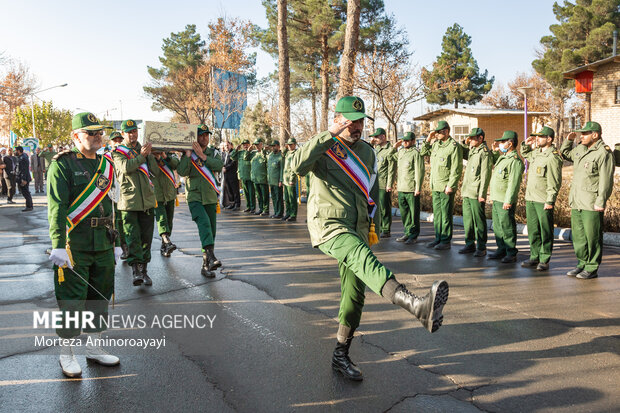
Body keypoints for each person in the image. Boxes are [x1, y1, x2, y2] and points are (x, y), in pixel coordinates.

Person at [290, 96, 449, 382]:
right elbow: (296, 166)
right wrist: (328, 135)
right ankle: (415, 304)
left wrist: (372, 225)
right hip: (329, 225)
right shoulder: (324, 144)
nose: (357, 126)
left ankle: (341, 354)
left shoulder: (366, 150)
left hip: (359, 226)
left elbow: (371, 191)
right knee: (364, 260)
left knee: (354, 295)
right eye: (351, 120)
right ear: (338, 119)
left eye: (361, 121)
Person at [47, 112, 122, 377]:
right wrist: (57, 244)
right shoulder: (63, 165)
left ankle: (94, 348)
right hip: (74, 245)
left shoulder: (107, 165)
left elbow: (114, 205)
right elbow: (57, 208)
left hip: (103, 242)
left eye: (99, 132)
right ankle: (66, 354)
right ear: (76, 136)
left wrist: (117, 241)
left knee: (99, 298)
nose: (97, 136)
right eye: (90, 132)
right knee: (72, 301)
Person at [560, 122, 614, 279]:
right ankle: (582, 263)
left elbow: (606, 180)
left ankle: (591, 267)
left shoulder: (603, 153)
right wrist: (568, 141)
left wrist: (601, 201)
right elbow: (565, 153)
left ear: (595, 135)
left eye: (585, 133)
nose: (581, 136)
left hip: (591, 202)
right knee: (579, 236)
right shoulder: (580, 149)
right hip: (577, 200)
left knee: (592, 237)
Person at [112, 119, 158, 286]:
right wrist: (142, 156)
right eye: (129, 132)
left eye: (134, 131)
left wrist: (150, 155)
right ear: (123, 134)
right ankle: (135, 270)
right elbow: (125, 167)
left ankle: (144, 270)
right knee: (132, 238)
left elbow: (155, 171)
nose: (133, 135)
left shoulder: (144, 149)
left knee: (146, 238)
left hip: (147, 200)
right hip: (128, 201)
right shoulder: (118, 152)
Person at [178, 124, 224, 278]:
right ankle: (211, 257)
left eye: (206, 135)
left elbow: (219, 165)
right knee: (204, 223)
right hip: (195, 197)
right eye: (201, 135)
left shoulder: (214, 152)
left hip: (210, 197)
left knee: (211, 231)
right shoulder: (189, 154)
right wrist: (189, 155)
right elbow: (182, 171)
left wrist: (203, 156)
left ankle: (206, 264)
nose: (204, 138)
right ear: (195, 137)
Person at [520, 127, 563, 271]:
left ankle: (544, 258)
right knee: (533, 230)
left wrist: (550, 200)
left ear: (549, 139)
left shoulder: (553, 157)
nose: (537, 139)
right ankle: (534, 256)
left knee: (545, 230)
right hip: (531, 198)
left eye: (540, 137)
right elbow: (525, 153)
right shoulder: (537, 153)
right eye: (536, 137)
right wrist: (526, 144)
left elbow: (554, 181)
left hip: (543, 199)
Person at [419, 121, 463, 250]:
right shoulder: (436, 144)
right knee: (437, 214)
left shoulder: (454, 146)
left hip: (445, 186)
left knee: (446, 215)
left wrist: (451, 185)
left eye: (439, 132)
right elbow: (423, 152)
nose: (436, 134)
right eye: (436, 132)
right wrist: (429, 137)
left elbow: (456, 168)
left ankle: (445, 240)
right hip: (436, 184)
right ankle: (438, 237)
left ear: (446, 131)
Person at [488, 131, 524, 263]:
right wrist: (496, 151)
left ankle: (511, 252)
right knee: (497, 226)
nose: (500, 144)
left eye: (503, 142)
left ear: (511, 143)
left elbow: (513, 183)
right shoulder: (503, 158)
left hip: (504, 199)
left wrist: (508, 200)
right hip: (497, 197)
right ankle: (501, 249)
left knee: (507, 226)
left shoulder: (515, 161)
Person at [458, 128, 493, 256]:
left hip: (476, 192)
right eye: (470, 138)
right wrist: (464, 142)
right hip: (467, 190)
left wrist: (482, 194)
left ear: (480, 139)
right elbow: (463, 151)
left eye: (473, 138)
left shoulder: (484, 153)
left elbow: (485, 175)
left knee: (479, 221)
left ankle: (481, 246)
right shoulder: (473, 150)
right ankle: (469, 244)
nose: (470, 140)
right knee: (468, 220)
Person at [394, 131, 424, 244]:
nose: (405, 142)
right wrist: (394, 147)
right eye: (403, 140)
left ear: (413, 141)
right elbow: (390, 157)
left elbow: (419, 171)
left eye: (407, 140)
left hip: (411, 188)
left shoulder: (415, 153)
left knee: (413, 213)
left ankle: (414, 235)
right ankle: (407, 232)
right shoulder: (401, 152)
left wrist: (418, 187)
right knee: (404, 213)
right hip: (402, 187)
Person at [106, 131, 129, 260]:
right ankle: (121, 246)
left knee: (125, 222)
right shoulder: (106, 157)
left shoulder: (127, 155)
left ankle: (126, 247)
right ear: (110, 143)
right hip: (112, 194)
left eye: (120, 140)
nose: (118, 143)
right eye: (115, 141)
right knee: (116, 222)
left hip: (125, 192)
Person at [370, 127, 396, 238]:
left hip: (384, 183)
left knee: (385, 207)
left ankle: (386, 229)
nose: (375, 139)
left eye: (376, 137)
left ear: (383, 137)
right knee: (376, 207)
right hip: (374, 183)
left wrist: (389, 184)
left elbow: (392, 169)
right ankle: (378, 227)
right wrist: (371, 144)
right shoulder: (376, 149)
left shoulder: (390, 150)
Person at [153, 150, 180, 257]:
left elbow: (176, 164)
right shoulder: (150, 156)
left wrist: (164, 156)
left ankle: (164, 244)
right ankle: (166, 240)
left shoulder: (170, 154)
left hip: (170, 193)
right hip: (156, 193)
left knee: (169, 220)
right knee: (162, 218)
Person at [231, 139, 256, 213]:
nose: (245, 146)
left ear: (249, 144)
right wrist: (235, 150)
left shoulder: (252, 152)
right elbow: (232, 157)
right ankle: (248, 206)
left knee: (251, 193)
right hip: (242, 175)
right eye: (244, 144)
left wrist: (248, 150)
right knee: (246, 192)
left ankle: (252, 207)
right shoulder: (240, 153)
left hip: (249, 175)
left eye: (246, 144)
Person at [246, 138, 269, 216]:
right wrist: (248, 151)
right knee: (258, 195)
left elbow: (266, 160)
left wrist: (263, 151)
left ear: (261, 144)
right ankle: (261, 208)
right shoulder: (253, 153)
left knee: (264, 195)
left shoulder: (265, 153)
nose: (256, 146)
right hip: (255, 178)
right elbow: (246, 158)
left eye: (258, 144)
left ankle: (266, 210)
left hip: (263, 178)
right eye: (255, 145)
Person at [281, 138, 299, 222]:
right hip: (285, 178)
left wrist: (292, 179)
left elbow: (293, 167)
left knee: (292, 198)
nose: (290, 146)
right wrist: (285, 147)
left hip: (290, 179)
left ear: (295, 144)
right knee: (287, 198)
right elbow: (282, 154)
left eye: (291, 144)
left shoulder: (296, 153)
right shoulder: (287, 153)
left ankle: (293, 215)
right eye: (288, 144)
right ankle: (287, 213)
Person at [267, 140, 284, 218]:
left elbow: (282, 169)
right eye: (272, 146)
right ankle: (275, 211)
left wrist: (281, 180)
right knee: (273, 197)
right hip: (271, 180)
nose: (273, 148)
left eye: (274, 146)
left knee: (278, 198)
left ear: (278, 146)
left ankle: (279, 213)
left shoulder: (281, 156)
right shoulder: (271, 155)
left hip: (277, 181)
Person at [222, 141, 240, 210]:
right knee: (229, 189)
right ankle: (231, 203)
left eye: (227, 145)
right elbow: (223, 162)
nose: (226, 147)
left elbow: (233, 162)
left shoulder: (233, 153)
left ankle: (237, 204)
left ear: (231, 145)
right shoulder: (224, 154)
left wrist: (226, 168)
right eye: (225, 146)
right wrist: (222, 167)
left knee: (235, 189)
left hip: (232, 174)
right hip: (226, 175)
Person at [14, 146, 33, 211]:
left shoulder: (23, 158)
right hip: (21, 177)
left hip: (24, 178)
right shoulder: (22, 156)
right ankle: (29, 205)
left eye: (15, 150)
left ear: (19, 151)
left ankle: (29, 206)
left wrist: (23, 179)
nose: (15, 152)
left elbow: (23, 169)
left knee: (25, 192)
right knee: (25, 192)